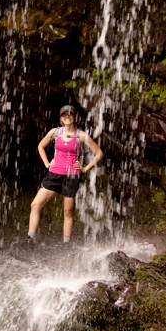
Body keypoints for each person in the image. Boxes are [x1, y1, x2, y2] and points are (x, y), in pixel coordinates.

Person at [24, 105, 103, 246]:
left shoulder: (81, 135)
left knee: (68, 211)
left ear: (74, 117)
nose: (67, 117)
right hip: (54, 174)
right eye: (64, 115)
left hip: (71, 177)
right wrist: (47, 163)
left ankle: (66, 244)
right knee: (35, 205)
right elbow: (40, 146)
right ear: (61, 118)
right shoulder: (55, 132)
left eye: (70, 115)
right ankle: (30, 240)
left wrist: (85, 168)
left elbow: (99, 153)